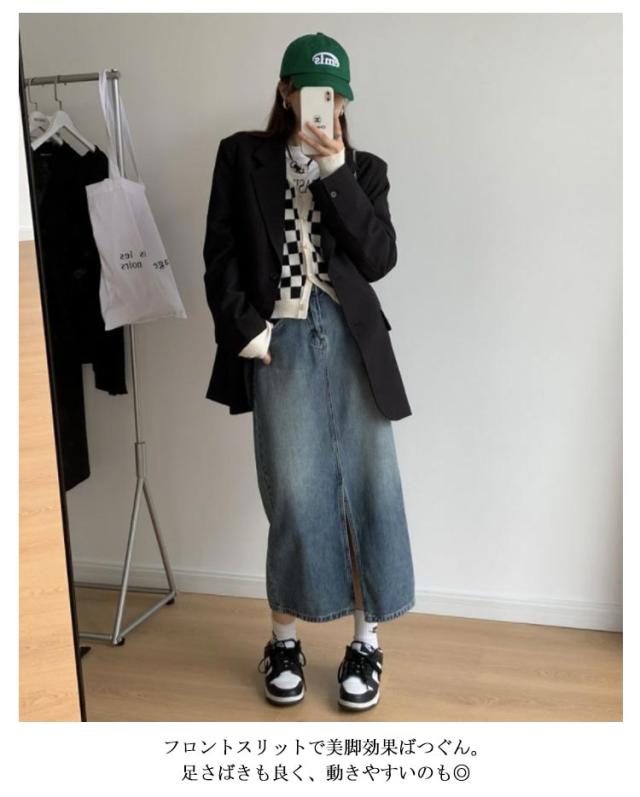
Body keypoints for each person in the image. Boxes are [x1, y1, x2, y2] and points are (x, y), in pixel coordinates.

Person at [203, 32, 415, 711]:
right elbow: (220, 252)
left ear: (345, 101)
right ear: (287, 92)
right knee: (293, 493)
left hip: (354, 339)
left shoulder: (365, 169)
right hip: (279, 336)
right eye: (315, 91)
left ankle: (366, 643)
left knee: (370, 488)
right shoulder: (241, 156)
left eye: (338, 94)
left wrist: (335, 171)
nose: (329, 104)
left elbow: (378, 259)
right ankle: (285, 640)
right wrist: (248, 331)